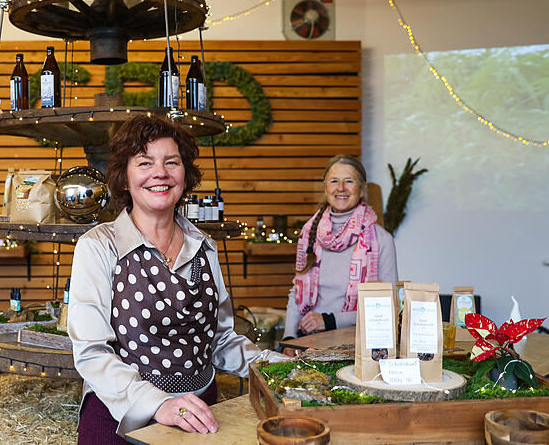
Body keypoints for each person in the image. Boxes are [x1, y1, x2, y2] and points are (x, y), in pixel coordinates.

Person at [68, 115, 285, 443]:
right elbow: (92, 352)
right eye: (144, 162)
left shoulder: (204, 247)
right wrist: (160, 403)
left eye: (172, 162)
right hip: (120, 419)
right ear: (124, 179)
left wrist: (279, 366)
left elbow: (221, 340)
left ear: (185, 176)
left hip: (199, 415)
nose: (160, 172)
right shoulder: (99, 247)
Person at [282, 155, 398, 351]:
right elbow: (297, 293)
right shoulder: (309, 233)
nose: (341, 188)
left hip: (355, 346)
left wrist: (329, 321)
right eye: (334, 181)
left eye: (349, 181)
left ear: (362, 189)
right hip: (307, 342)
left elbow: (386, 304)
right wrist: (289, 339)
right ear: (326, 187)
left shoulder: (381, 240)